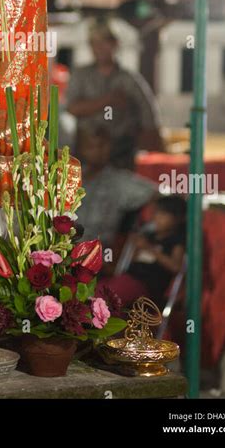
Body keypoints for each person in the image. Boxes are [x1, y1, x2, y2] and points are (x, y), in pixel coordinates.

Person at [66, 19, 164, 169]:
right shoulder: (81, 76)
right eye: (94, 43)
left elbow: (149, 119)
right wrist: (107, 100)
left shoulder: (129, 80)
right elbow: (71, 108)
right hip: (86, 155)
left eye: (104, 42)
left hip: (121, 155)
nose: (99, 48)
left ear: (114, 44)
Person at [97, 196, 187, 307]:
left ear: (176, 219)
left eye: (162, 215)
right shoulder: (150, 236)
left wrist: (148, 248)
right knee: (98, 290)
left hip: (147, 285)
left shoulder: (175, 241)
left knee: (107, 296)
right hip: (129, 279)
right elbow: (136, 261)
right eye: (155, 213)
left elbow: (176, 266)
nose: (156, 218)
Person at [77, 126, 157, 249]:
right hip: (62, 252)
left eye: (103, 146)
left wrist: (150, 229)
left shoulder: (120, 181)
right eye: (92, 146)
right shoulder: (67, 177)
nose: (99, 151)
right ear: (81, 148)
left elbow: (160, 194)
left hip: (98, 254)